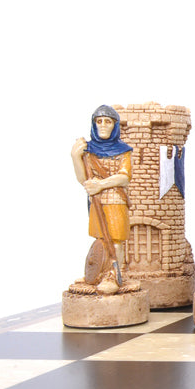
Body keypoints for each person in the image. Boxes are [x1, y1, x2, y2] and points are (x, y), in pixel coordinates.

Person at [70, 105, 132, 295]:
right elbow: (84, 180)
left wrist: (101, 185)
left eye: (107, 121)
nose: (103, 125)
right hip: (96, 201)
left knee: (115, 240)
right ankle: (98, 273)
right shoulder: (89, 151)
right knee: (100, 239)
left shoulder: (123, 151)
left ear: (114, 125)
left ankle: (113, 275)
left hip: (115, 200)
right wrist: (75, 157)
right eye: (99, 121)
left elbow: (124, 177)